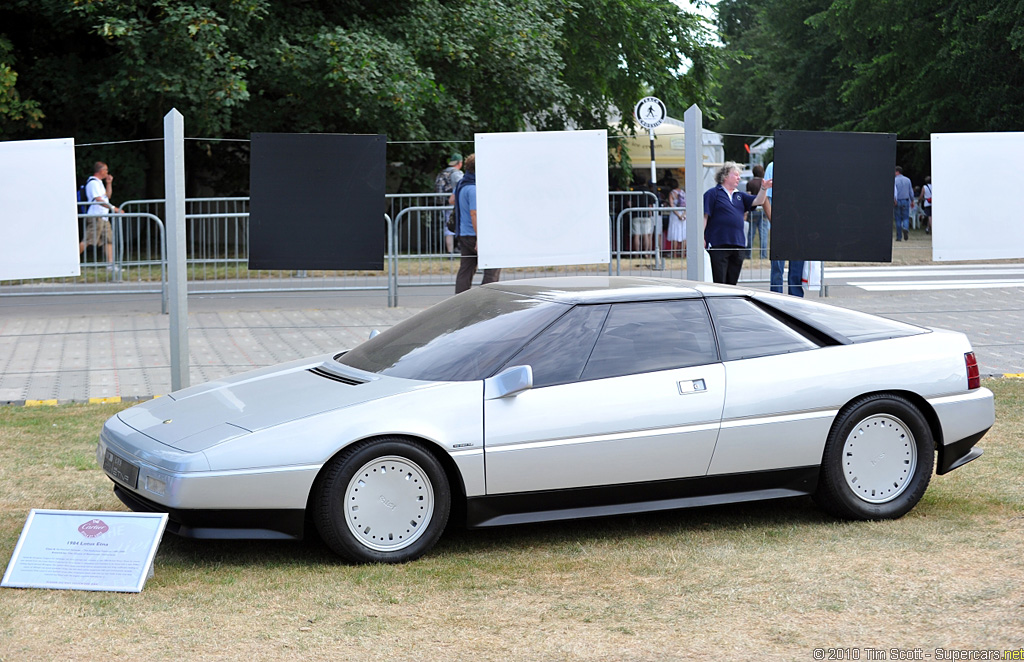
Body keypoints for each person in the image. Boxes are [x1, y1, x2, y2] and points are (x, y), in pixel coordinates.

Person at [702, 161, 770, 285]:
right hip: (719, 243)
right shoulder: (713, 193)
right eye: (736, 175)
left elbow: (758, 201)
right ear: (725, 176)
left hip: (737, 244)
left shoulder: (740, 195)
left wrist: (764, 188)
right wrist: (701, 236)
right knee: (719, 281)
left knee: (732, 283)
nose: (739, 178)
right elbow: (705, 216)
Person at [454, 154, 500, 293]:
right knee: (493, 268)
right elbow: (475, 214)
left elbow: (451, 200)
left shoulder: (462, 184)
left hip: (464, 232)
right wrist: (481, 238)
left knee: (466, 270)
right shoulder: (473, 189)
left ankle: (459, 301)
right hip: (475, 234)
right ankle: (487, 300)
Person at [765, 161, 804, 297]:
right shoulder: (773, 167)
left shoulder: (802, 167)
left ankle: (796, 299)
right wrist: (774, 223)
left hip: (798, 226)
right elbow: (766, 199)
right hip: (780, 226)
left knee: (797, 267)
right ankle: (776, 297)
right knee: (777, 269)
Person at [78, 161, 122, 268]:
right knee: (88, 239)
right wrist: (114, 208)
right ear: (101, 170)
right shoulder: (93, 183)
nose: (107, 172)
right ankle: (70, 261)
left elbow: (108, 196)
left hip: (104, 216)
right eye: (106, 170)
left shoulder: (99, 183)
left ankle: (110, 264)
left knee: (108, 240)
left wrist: (109, 183)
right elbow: (98, 200)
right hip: (96, 216)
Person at [435, 153, 464, 253]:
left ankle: (450, 252)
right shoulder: (457, 173)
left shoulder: (442, 173)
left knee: (448, 227)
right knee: (461, 225)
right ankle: (461, 249)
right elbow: (462, 187)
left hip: (443, 204)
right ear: (460, 163)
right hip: (454, 204)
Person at [745, 164, 769, 259]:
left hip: (754, 210)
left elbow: (748, 196)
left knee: (751, 233)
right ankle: (763, 255)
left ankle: (748, 255)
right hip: (763, 209)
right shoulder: (764, 183)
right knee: (763, 234)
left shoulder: (750, 183)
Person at [894, 165, 914, 242]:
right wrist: (912, 200)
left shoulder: (894, 180)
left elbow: (894, 191)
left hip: (897, 200)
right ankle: (905, 228)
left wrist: (894, 200)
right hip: (906, 200)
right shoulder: (907, 180)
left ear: (897, 171)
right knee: (906, 217)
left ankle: (899, 237)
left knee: (898, 218)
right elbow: (910, 191)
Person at [666, 178, 686, 257]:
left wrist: (678, 215)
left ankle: (674, 253)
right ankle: (683, 253)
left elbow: (672, 205)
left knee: (675, 234)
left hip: (675, 215)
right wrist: (683, 215)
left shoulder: (672, 193)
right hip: (684, 214)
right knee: (683, 234)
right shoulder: (683, 192)